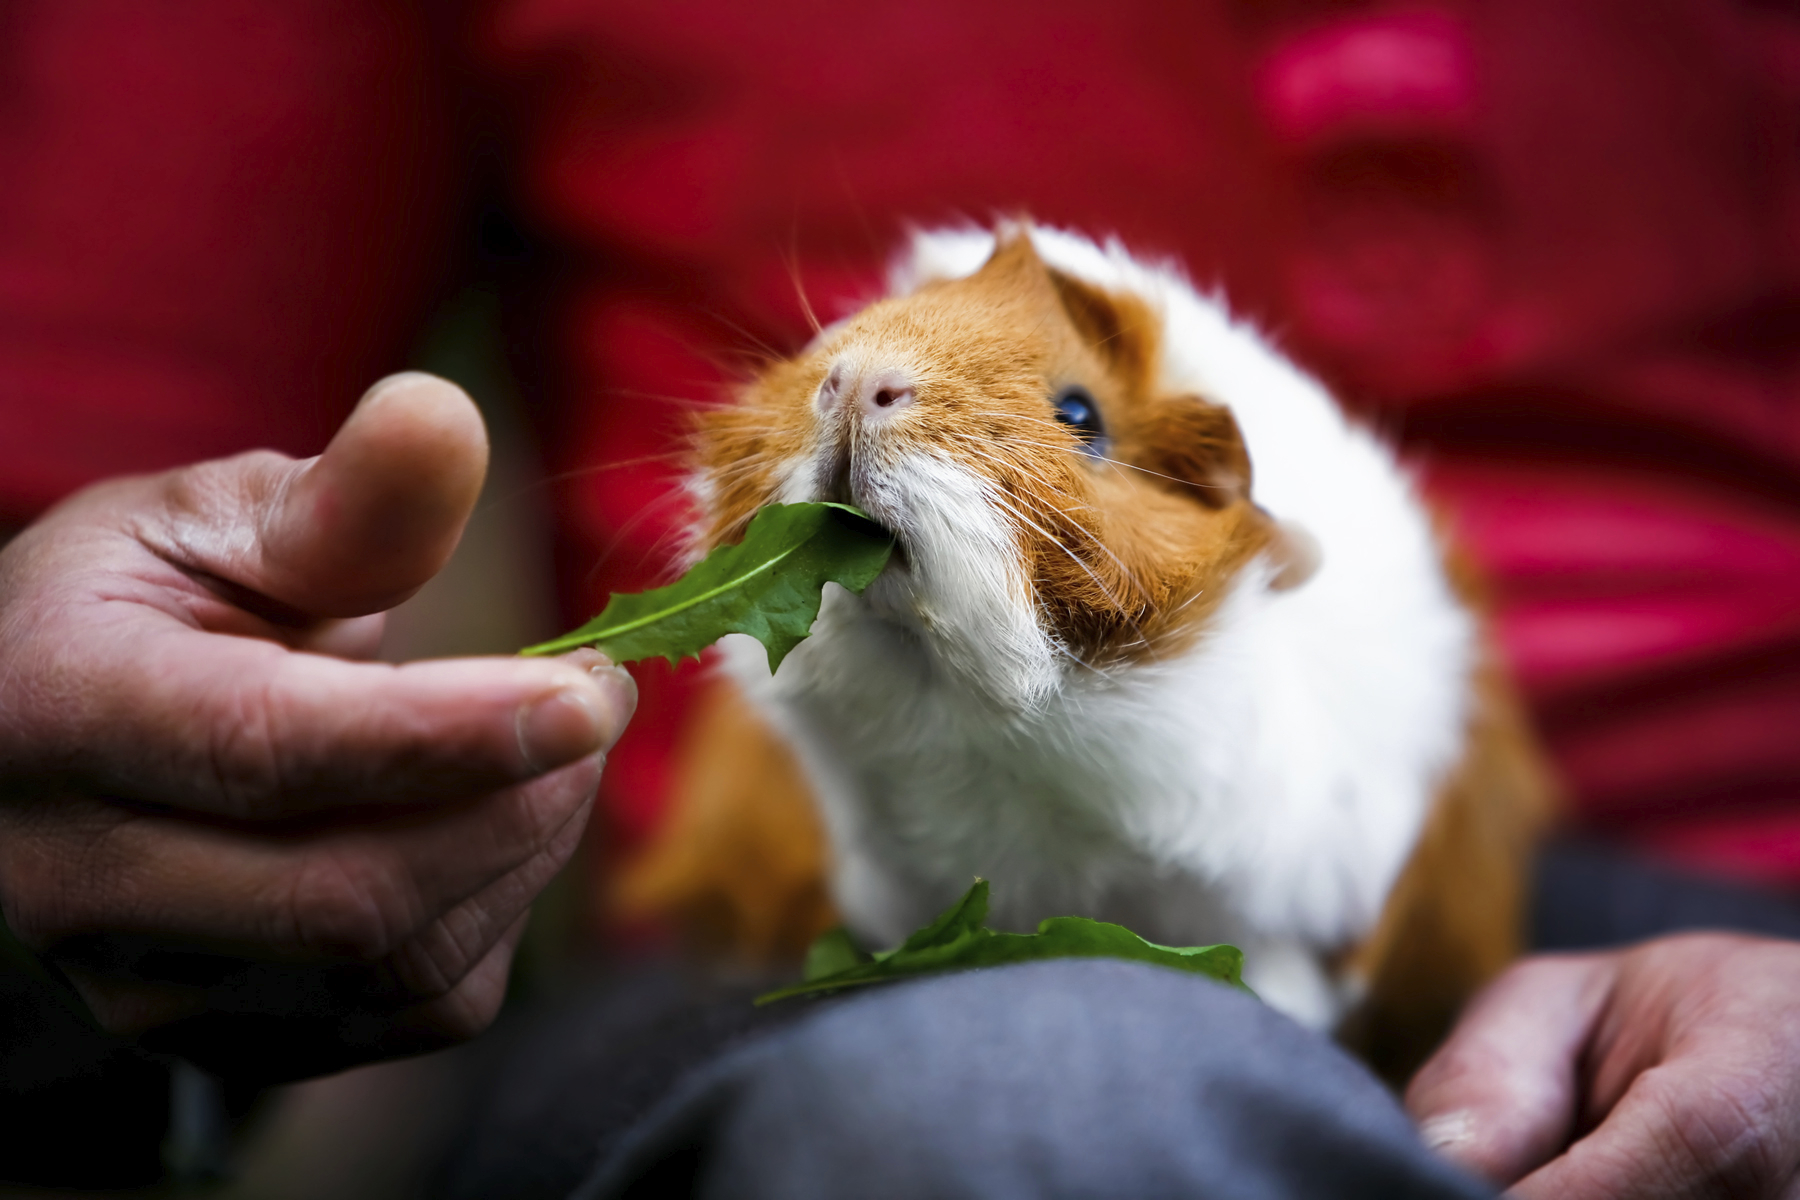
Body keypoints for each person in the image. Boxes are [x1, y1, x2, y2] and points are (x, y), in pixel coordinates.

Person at [6, 0, 1800, 1195]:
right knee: (1025, 1112)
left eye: (1079, 421)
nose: (863, 380)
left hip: (1742, 912)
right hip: (788, 960)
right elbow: (74, 524)